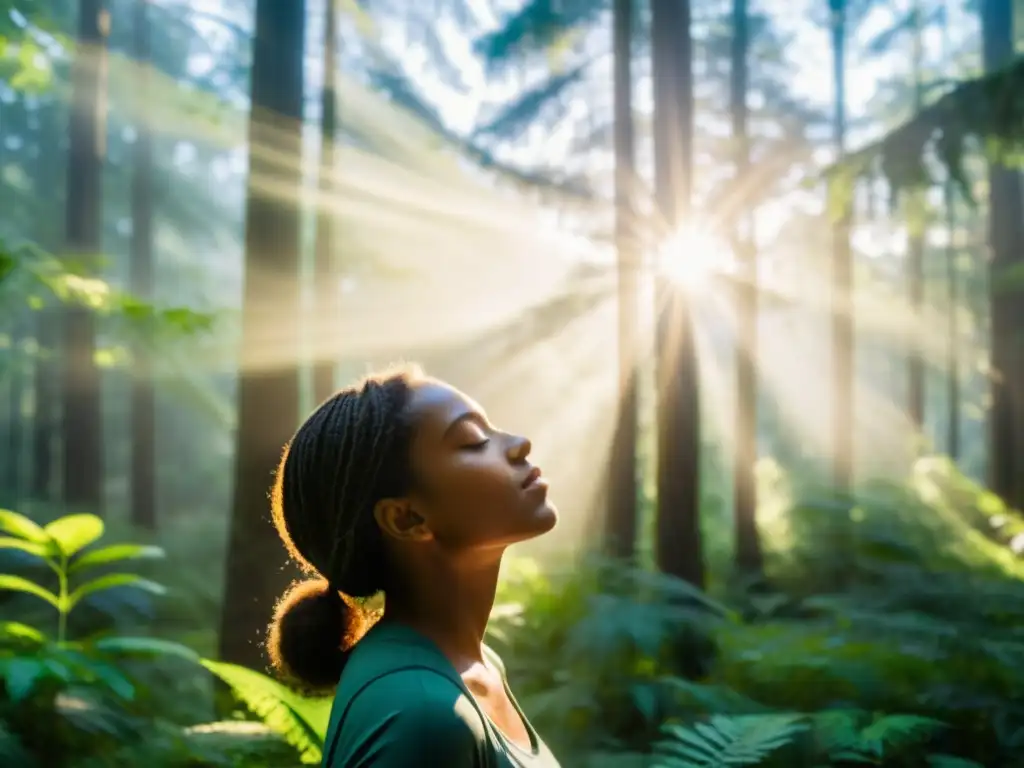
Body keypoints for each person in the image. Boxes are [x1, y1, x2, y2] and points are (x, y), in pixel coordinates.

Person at [265, 364, 562, 767]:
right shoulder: (420, 712)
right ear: (407, 519)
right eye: (474, 440)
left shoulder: (476, 666)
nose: (518, 444)